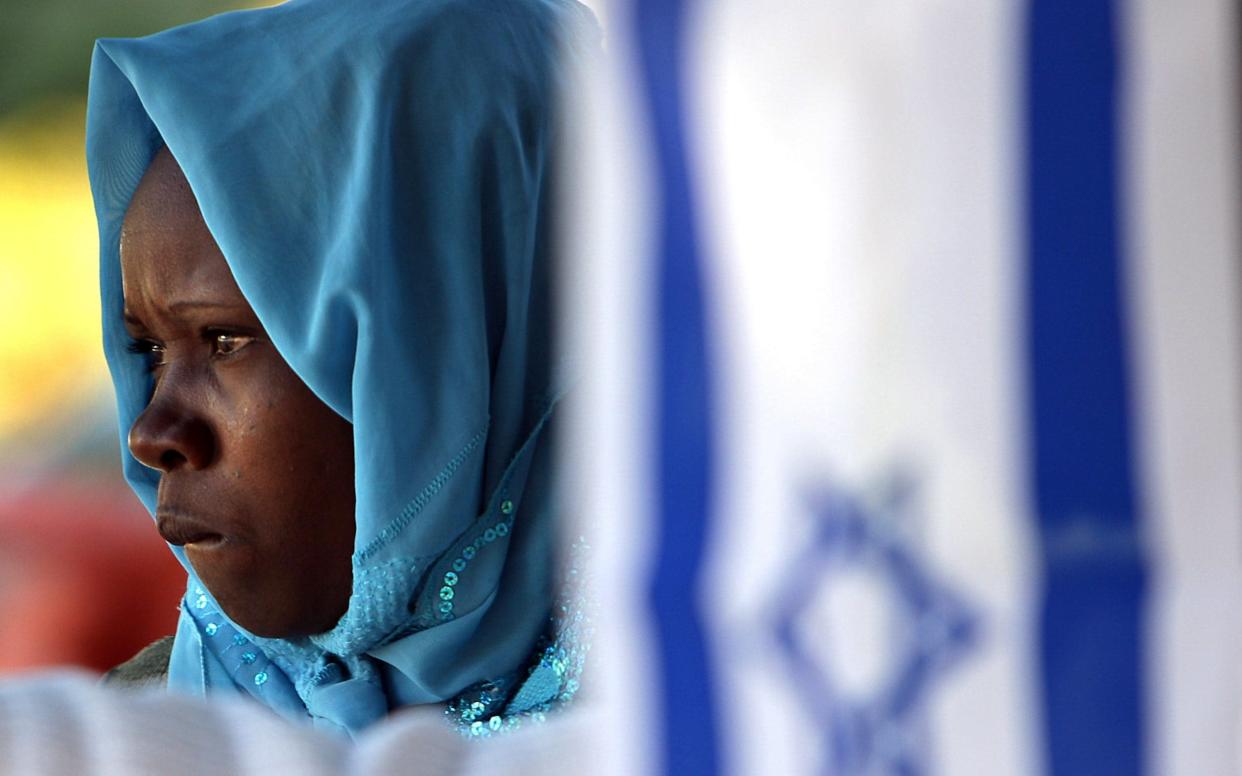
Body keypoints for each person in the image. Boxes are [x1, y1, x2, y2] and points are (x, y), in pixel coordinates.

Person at [86, 0, 596, 736]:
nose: (151, 432)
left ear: (450, 345)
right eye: (152, 351)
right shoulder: (141, 729)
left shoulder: (737, 713)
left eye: (225, 339)